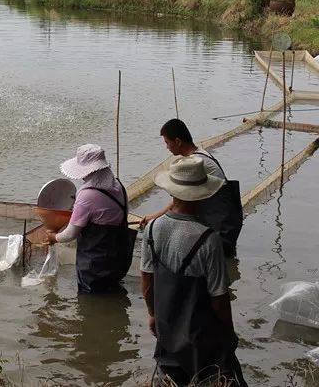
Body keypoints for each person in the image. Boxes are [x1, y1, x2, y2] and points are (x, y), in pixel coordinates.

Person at [141, 156, 247, 387]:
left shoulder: (152, 229)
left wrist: (152, 314)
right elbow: (219, 296)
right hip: (201, 335)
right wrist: (228, 333)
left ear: (173, 193)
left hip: (167, 327)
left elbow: (146, 278)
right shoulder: (210, 240)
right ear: (204, 195)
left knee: (169, 377)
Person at [141, 119, 242, 257]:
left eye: (167, 142)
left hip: (220, 223)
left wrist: (156, 218)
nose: (167, 147)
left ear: (178, 141)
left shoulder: (195, 163)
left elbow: (181, 200)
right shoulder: (200, 155)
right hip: (224, 219)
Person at [46, 144, 137, 294]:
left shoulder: (87, 195)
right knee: (111, 293)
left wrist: (54, 237)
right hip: (119, 260)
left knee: (90, 300)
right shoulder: (118, 186)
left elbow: (70, 234)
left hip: (95, 267)